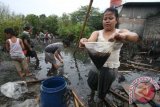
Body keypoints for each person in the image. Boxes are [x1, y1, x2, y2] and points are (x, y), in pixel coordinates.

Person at [79, 7, 139, 105]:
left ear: (116, 20)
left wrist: (124, 36)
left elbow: (135, 36)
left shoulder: (120, 32)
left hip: (110, 68)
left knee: (104, 87)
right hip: (96, 64)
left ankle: (100, 100)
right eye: (105, 18)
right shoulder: (97, 33)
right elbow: (89, 41)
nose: (107, 21)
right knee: (92, 82)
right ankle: (92, 93)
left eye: (110, 18)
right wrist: (84, 41)